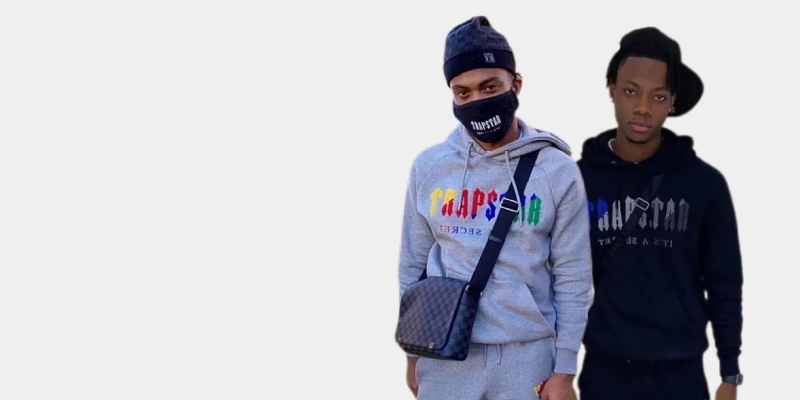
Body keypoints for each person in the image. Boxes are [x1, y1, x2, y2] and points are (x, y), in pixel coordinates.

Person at [397, 16, 593, 400]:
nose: (477, 101)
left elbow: (573, 278)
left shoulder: (556, 171)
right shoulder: (430, 166)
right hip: (444, 354)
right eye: (462, 92)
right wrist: (412, 352)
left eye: (490, 87)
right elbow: (412, 265)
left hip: (528, 357)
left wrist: (565, 370)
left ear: (515, 85)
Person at [575, 27, 744, 400]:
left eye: (658, 96)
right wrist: (558, 370)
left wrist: (729, 373)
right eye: (631, 91)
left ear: (672, 102)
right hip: (604, 373)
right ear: (612, 89)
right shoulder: (578, 181)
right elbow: (556, 281)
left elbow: (725, 284)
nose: (642, 107)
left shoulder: (705, 184)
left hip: (681, 376)